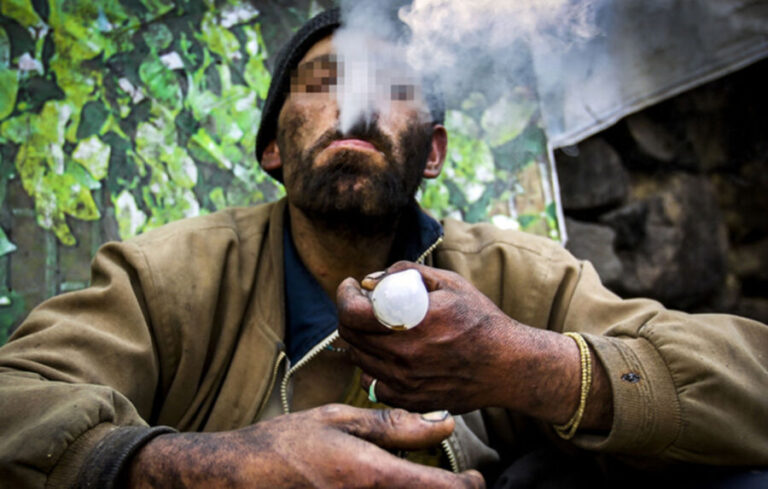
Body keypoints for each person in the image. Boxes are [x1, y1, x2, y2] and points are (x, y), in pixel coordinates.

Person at [1, 7, 766, 489]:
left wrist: (529, 363)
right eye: (324, 83)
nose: (358, 104)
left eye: (391, 88)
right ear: (272, 147)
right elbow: (17, 399)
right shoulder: (164, 276)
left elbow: (751, 382)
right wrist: (205, 468)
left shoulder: (513, 275)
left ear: (432, 152)